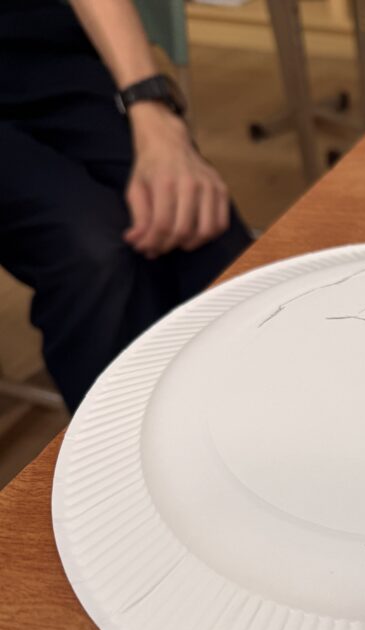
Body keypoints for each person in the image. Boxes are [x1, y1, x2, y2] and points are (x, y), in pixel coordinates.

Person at [0, 0, 252, 412]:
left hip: (39, 44)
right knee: (91, 250)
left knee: (201, 230)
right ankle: (122, 439)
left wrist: (148, 104)